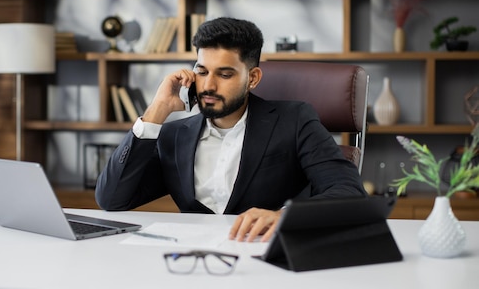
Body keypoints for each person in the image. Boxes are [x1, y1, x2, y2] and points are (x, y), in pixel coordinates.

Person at [95, 17, 367, 242]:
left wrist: (284, 216)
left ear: (253, 78)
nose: (209, 86)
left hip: (267, 259)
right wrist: (155, 113)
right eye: (202, 72)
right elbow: (112, 199)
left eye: (225, 75)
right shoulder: (173, 135)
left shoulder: (294, 120)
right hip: (192, 263)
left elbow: (348, 192)